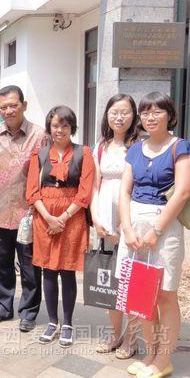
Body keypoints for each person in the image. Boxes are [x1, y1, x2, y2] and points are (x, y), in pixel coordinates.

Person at [119, 92, 190, 378]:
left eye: (157, 111)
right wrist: (126, 228)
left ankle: (163, 359)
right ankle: (150, 353)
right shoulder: (135, 148)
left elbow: (183, 191)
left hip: (164, 226)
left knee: (164, 295)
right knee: (140, 294)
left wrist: (156, 230)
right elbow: (124, 192)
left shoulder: (179, 147)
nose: (150, 117)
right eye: (146, 112)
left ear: (170, 115)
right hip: (134, 225)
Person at [25, 105, 95, 347]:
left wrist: (62, 218)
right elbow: (32, 191)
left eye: (65, 125)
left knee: (67, 271)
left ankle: (67, 323)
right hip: (44, 218)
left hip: (72, 218)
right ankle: (52, 321)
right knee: (48, 270)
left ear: (72, 127)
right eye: (55, 125)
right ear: (49, 127)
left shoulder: (84, 153)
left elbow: (85, 192)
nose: (60, 130)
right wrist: (49, 218)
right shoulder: (40, 154)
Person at [0, 85, 47, 332]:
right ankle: (1, 308)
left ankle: (29, 312)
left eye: (13, 105)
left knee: (30, 268)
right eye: (4, 107)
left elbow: (46, 174)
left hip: (28, 214)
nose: (9, 110)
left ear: (24, 105)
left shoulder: (40, 136)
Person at [90, 94, 139, 359]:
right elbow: (94, 186)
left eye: (125, 112)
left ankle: (132, 338)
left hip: (130, 222)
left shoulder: (139, 146)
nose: (119, 117)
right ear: (107, 115)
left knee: (131, 281)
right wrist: (95, 219)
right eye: (114, 112)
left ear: (134, 116)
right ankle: (115, 334)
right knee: (110, 281)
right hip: (105, 224)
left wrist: (126, 224)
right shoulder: (101, 146)